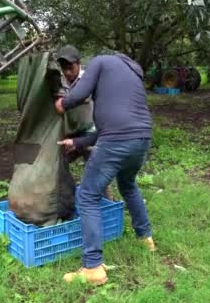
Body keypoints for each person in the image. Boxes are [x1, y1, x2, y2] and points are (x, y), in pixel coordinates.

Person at [55, 47, 155, 285]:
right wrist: (77, 142)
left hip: (118, 140)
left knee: (88, 195)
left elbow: (79, 94)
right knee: (128, 185)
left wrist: (63, 104)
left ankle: (92, 267)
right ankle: (145, 238)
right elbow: (110, 128)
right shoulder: (132, 74)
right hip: (142, 139)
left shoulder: (100, 61)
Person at [55, 46, 113, 200]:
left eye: (70, 68)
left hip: (91, 131)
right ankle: (68, 198)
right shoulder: (59, 82)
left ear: (79, 63)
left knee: (97, 168)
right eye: (63, 68)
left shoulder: (90, 79)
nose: (67, 73)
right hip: (69, 133)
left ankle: (108, 203)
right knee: (58, 162)